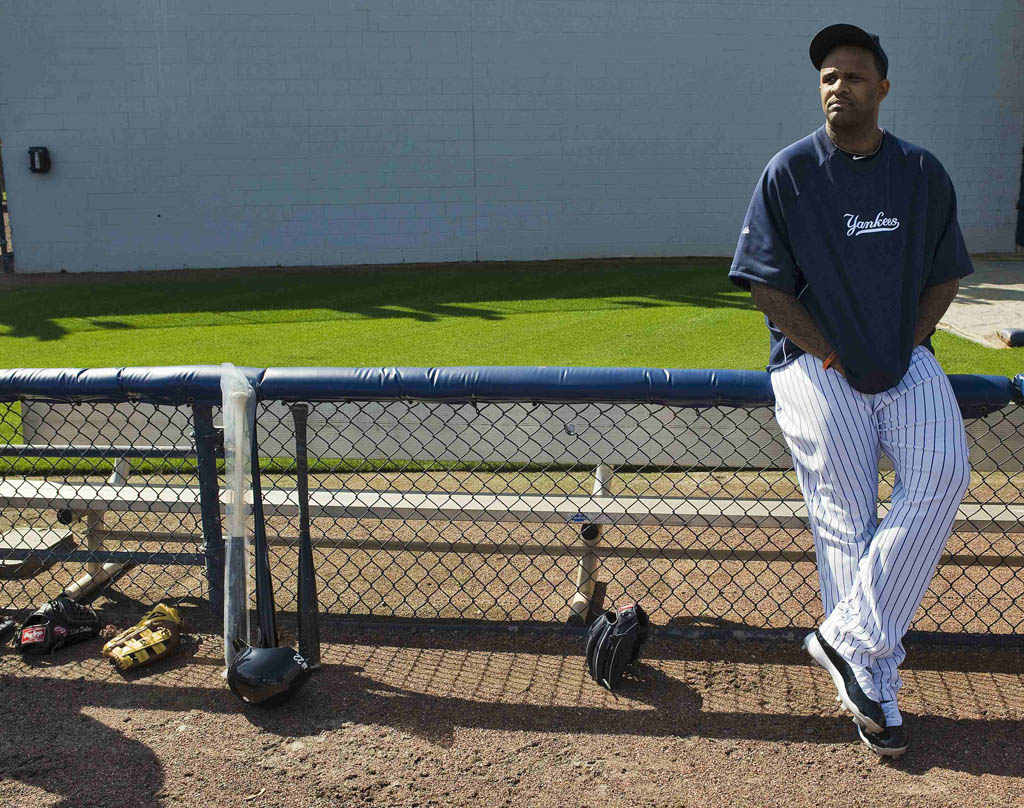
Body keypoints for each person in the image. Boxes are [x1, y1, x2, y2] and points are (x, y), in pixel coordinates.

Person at [728, 23, 974, 757]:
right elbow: (765, 289)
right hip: (814, 363)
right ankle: (873, 685)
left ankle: (846, 638)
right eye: (829, 76)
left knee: (945, 471)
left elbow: (946, 275)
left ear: (883, 89)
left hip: (904, 356)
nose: (839, 86)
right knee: (845, 514)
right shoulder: (790, 171)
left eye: (855, 76)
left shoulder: (921, 172)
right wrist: (830, 350)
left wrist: (901, 344)